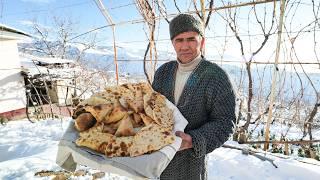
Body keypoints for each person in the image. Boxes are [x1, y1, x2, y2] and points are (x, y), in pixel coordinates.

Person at [152, 13, 236, 180]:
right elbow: (153, 108)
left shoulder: (216, 76)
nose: (185, 46)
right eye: (179, 40)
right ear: (172, 43)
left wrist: (192, 140)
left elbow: (225, 122)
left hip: (191, 168)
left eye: (191, 39)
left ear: (202, 41)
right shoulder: (163, 72)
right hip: (159, 162)